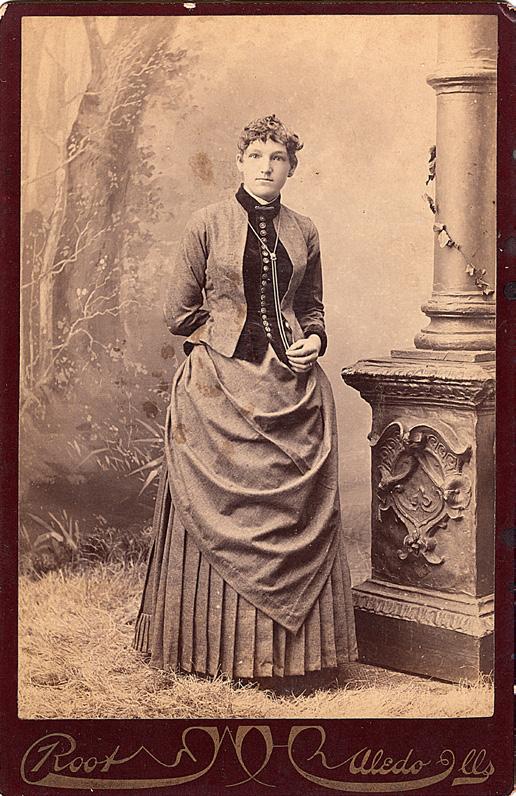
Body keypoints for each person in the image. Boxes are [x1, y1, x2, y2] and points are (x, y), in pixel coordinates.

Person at [133, 115, 357, 690]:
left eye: (277, 158)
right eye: (256, 155)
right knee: (220, 510)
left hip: (291, 386)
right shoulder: (206, 223)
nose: (265, 167)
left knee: (295, 511)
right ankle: (211, 651)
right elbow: (179, 313)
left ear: (291, 168)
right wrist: (226, 338)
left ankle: (296, 661)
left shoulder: (304, 230)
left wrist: (314, 339)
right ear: (239, 161)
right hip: (217, 391)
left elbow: (311, 305)